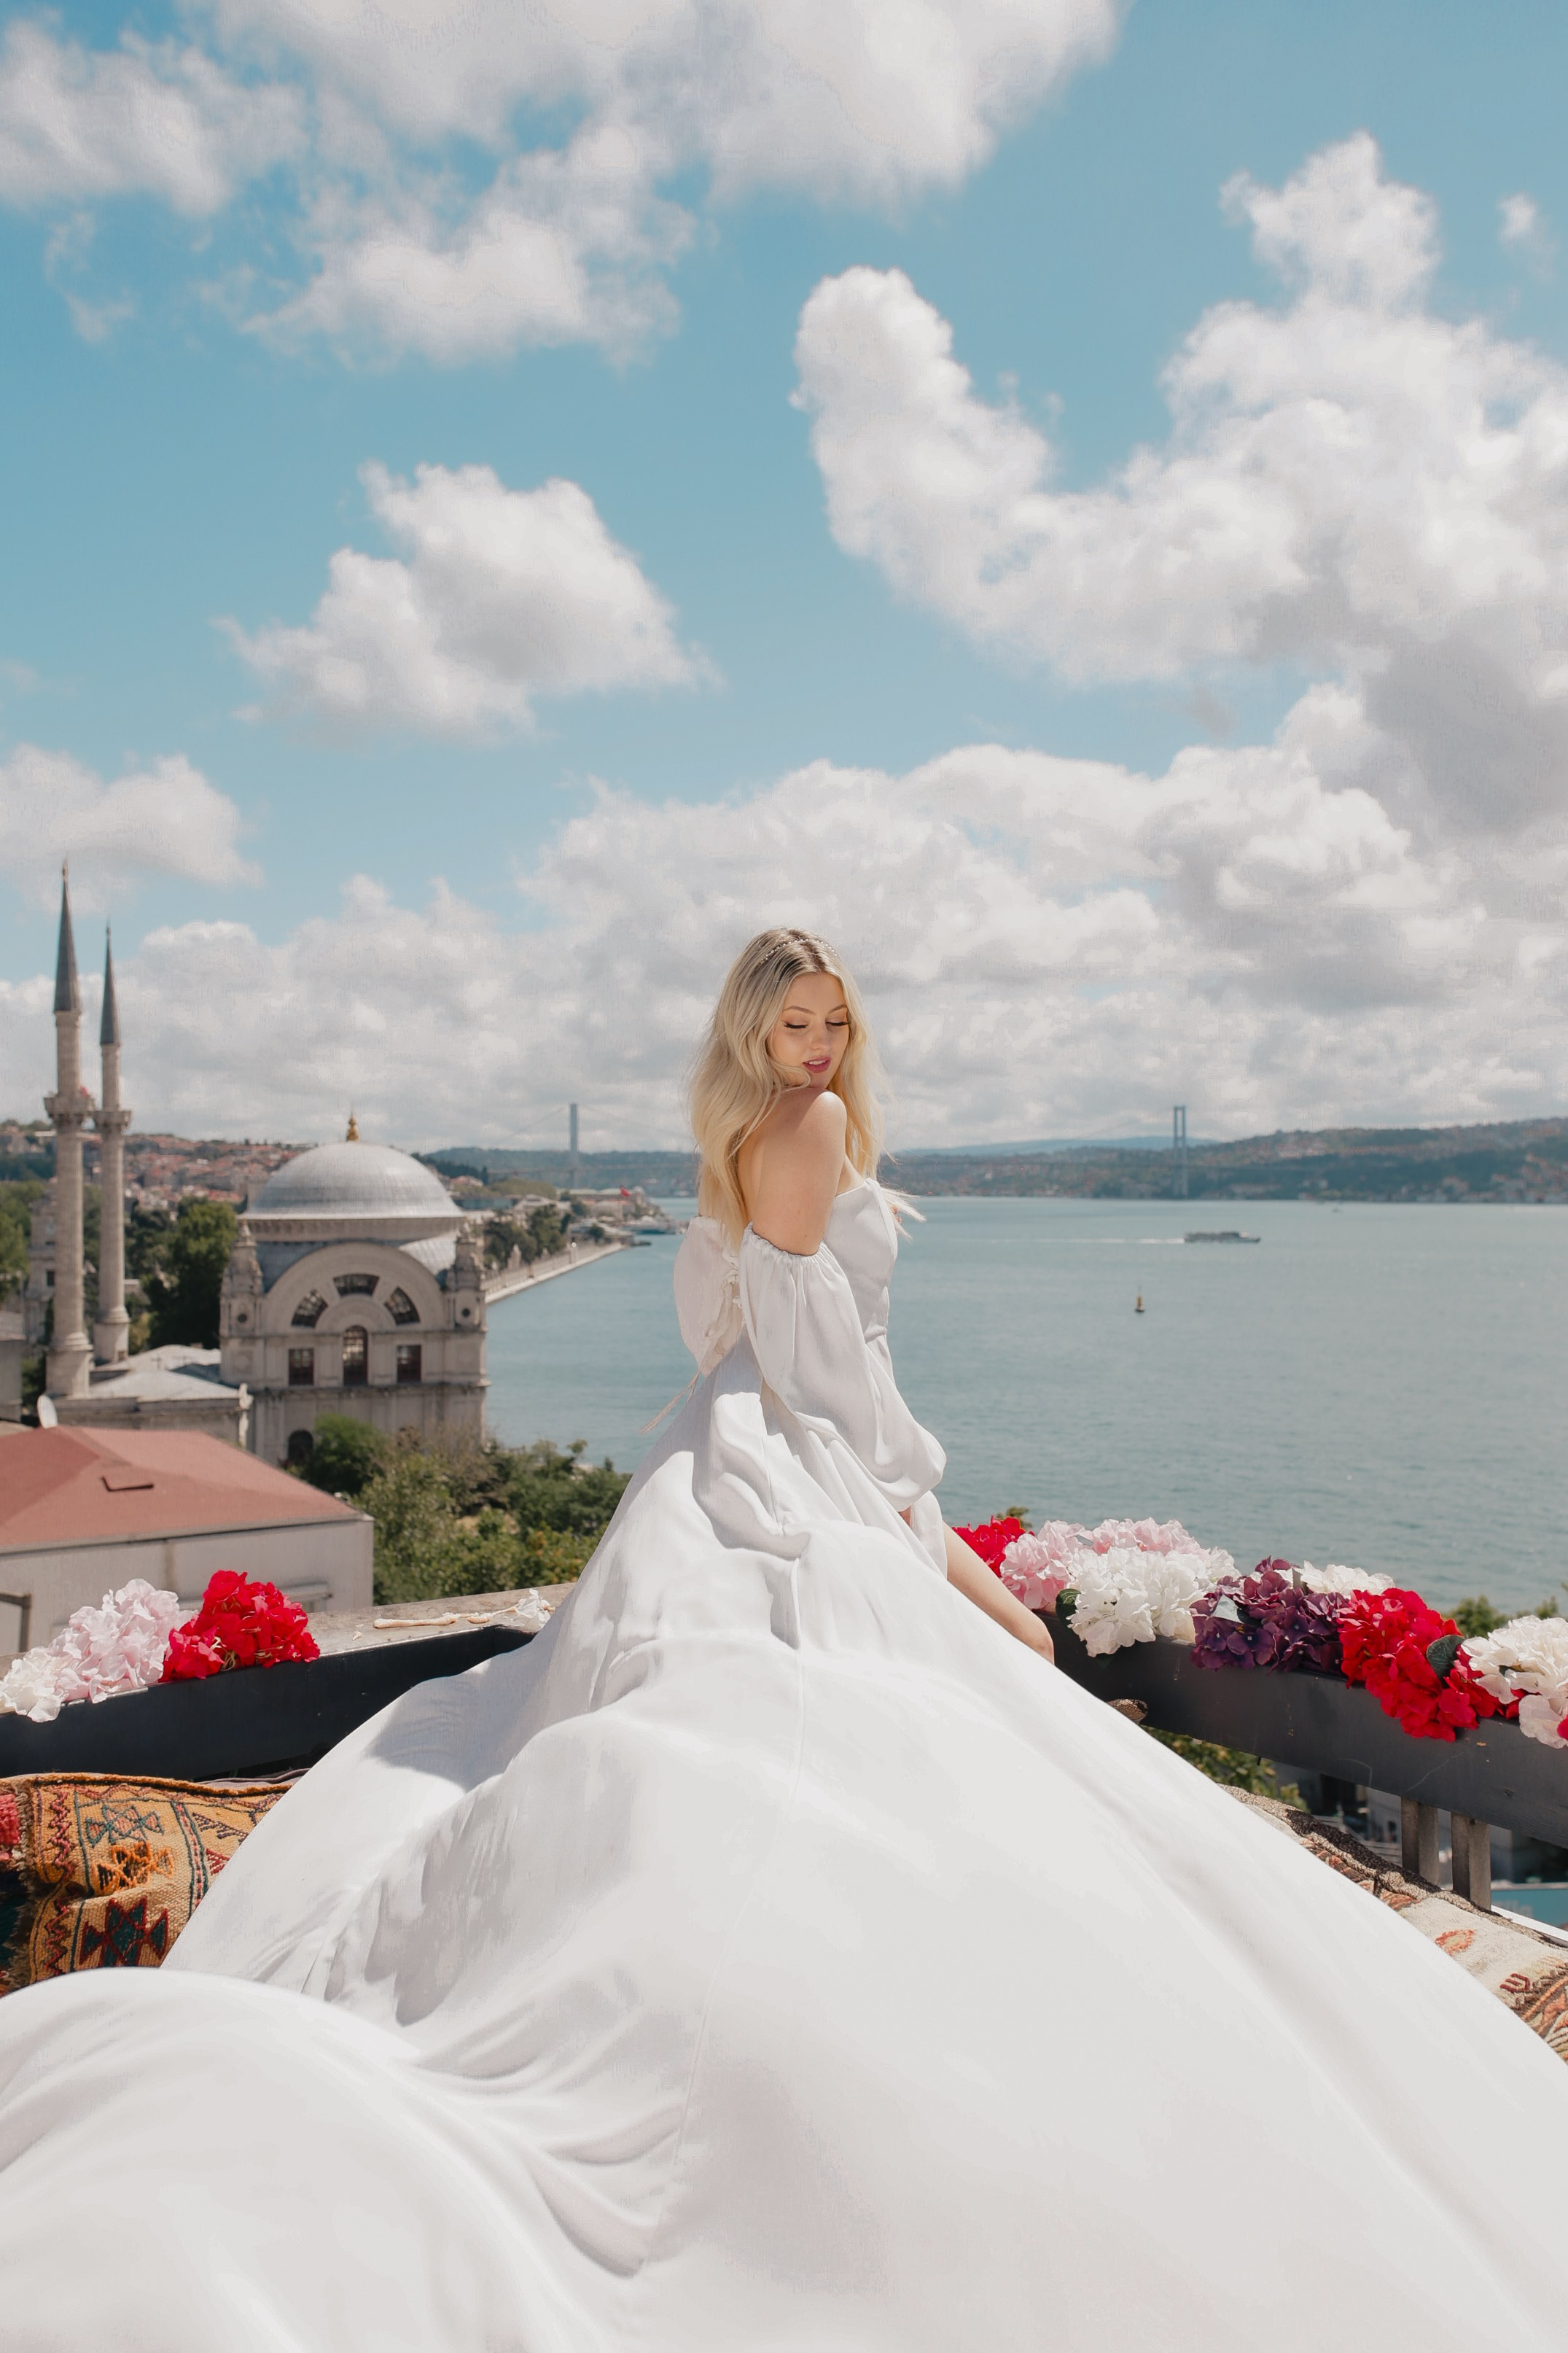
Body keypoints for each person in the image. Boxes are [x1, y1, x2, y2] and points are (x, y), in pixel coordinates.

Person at [1, 926, 1566, 2352]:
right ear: (759, 1031)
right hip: (804, 1468)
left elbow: (729, 1340)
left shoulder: (738, 1143)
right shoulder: (810, 1133)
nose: (820, 1044)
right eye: (796, 1019)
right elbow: (839, 1390)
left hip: (717, 1458)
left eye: (834, 1019)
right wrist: (947, 1554)